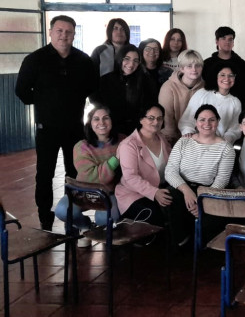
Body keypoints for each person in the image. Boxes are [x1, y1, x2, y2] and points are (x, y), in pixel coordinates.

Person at [16, 15, 99, 229]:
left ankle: (72, 214)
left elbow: (92, 88)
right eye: (59, 31)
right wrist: (45, 102)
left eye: (68, 31)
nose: (64, 35)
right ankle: (45, 218)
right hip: (47, 128)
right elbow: (21, 91)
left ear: (74, 34)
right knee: (45, 174)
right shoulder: (35, 59)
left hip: (74, 128)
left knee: (75, 173)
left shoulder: (83, 60)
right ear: (51, 32)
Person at [165, 105, 235, 244]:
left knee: (209, 218)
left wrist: (202, 201)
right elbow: (170, 171)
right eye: (202, 120)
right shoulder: (183, 141)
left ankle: (199, 247)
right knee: (170, 199)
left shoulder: (226, 148)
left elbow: (221, 180)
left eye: (212, 120)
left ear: (218, 121)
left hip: (208, 191)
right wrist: (187, 191)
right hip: (182, 188)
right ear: (196, 122)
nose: (207, 124)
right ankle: (179, 245)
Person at [53, 106, 124, 240]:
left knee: (103, 219)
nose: (101, 123)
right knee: (62, 211)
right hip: (84, 192)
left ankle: (103, 232)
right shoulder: (81, 146)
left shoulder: (123, 141)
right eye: (96, 119)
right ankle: (85, 225)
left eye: (106, 118)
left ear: (112, 121)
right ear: (90, 123)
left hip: (109, 193)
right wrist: (115, 160)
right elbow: (91, 178)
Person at [115, 103, 172, 228]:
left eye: (160, 118)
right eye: (151, 118)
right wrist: (154, 192)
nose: (156, 122)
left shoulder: (162, 139)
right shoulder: (128, 145)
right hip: (133, 195)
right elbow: (130, 178)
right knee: (156, 217)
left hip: (160, 189)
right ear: (141, 119)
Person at [92, 44, 157, 136]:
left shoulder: (145, 80)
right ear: (120, 58)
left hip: (138, 130)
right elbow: (96, 100)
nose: (131, 64)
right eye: (127, 59)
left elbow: (150, 105)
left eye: (135, 61)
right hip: (111, 129)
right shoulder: (106, 80)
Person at [179, 62, 242, 144]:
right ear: (215, 76)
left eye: (231, 75)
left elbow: (235, 128)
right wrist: (189, 133)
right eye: (222, 75)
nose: (227, 78)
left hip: (220, 144)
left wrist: (224, 141)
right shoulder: (202, 94)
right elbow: (187, 119)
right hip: (196, 141)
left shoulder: (236, 102)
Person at [158, 49, 205, 144]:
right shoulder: (168, 87)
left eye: (197, 66)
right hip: (172, 137)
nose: (194, 69)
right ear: (182, 68)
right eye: (189, 66)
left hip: (198, 138)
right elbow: (167, 117)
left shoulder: (205, 87)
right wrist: (175, 140)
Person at [202, 26, 245, 95]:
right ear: (217, 41)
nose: (227, 42)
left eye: (230, 39)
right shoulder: (207, 64)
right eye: (223, 38)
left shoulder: (241, 64)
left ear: (233, 42)